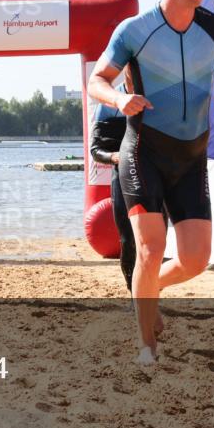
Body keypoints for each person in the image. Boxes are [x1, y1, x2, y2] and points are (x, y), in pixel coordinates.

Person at [87, 0, 214, 365]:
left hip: (191, 158)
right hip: (143, 153)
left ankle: (149, 292)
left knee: (195, 260)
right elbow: (97, 81)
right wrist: (119, 101)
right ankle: (147, 347)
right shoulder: (134, 30)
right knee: (150, 250)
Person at [89, 81, 138, 290]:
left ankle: (150, 288)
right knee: (128, 240)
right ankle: (133, 292)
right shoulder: (110, 101)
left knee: (154, 241)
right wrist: (115, 157)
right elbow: (96, 150)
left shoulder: (160, 91)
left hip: (155, 175)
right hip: (123, 175)